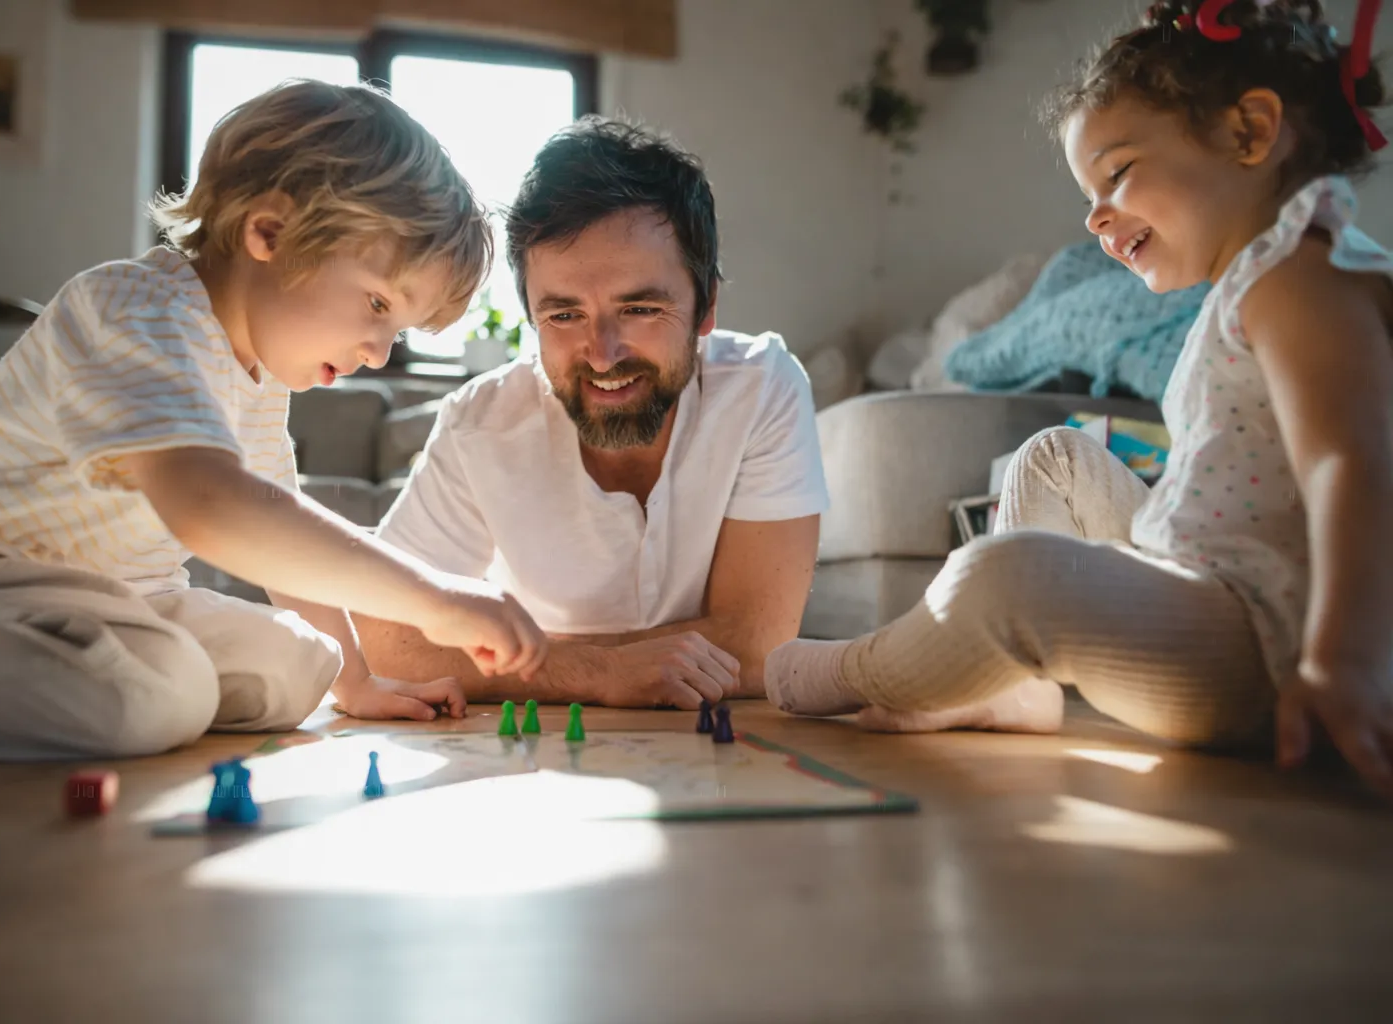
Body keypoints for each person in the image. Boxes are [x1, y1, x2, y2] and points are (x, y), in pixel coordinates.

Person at [764, 0, 1393, 800]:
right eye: (1089, 191)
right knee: (1056, 457)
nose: (1095, 215)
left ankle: (868, 668)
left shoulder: (1301, 280)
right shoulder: (1266, 276)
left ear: (1249, 133)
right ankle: (1007, 686)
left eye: (1119, 172)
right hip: (1223, 587)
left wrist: (1343, 663)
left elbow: (1353, 464)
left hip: (1264, 646)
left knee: (1009, 575)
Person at [0, 80, 547, 762]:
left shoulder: (257, 377)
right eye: (376, 305)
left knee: (301, 664)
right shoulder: (135, 310)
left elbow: (283, 533)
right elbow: (212, 508)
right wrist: (433, 600)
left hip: (101, 599)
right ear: (269, 232)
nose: (377, 351)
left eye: (396, 328)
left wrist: (357, 684)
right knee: (158, 695)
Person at [354, 118, 830, 710]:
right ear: (530, 318)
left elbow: (758, 643)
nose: (602, 355)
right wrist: (595, 672)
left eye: (638, 308)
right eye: (563, 316)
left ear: (705, 306)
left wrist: (544, 663)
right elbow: (386, 637)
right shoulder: (479, 424)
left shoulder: (762, 389)